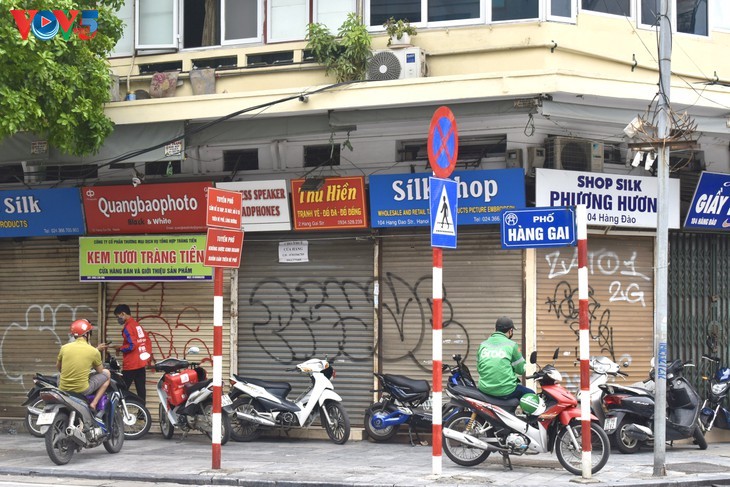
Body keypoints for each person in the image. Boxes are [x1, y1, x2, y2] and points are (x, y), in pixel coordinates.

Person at [57, 319, 110, 413]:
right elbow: (100, 371)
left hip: (63, 388)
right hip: (82, 390)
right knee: (107, 373)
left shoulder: (64, 348)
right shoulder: (93, 351)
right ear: (87, 334)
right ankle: (94, 404)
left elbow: (59, 368)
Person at [476, 316, 534, 400]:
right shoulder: (512, 345)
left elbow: (479, 369)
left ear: (495, 329)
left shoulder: (483, 345)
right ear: (510, 331)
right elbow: (521, 370)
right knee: (531, 395)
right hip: (505, 391)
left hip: (484, 389)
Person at [114, 304, 153, 403]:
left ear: (123, 314)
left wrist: (120, 348)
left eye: (118, 317)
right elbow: (147, 341)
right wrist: (146, 358)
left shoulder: (128, 327)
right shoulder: (137, 325)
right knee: (141, 390)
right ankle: (142, 411)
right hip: (141, 363)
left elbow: (132, 345)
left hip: (131, 365)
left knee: (122, 389)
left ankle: (120, 409)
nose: (118, 319)